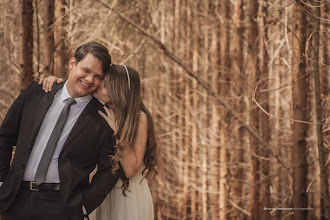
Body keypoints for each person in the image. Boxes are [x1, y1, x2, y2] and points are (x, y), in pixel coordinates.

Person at [0, 42, 120, 220]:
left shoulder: (102, 119)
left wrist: (84, 206)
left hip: (62, 207)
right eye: (86, 70)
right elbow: (4, 137)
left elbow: (110, 168)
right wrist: (2, 183)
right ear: (72, 64)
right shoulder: (37, 92)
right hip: (16, 198)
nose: (89, 79)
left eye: (97, 76)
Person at [40, 64, 158, 220]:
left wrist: (118, 132)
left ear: (120, 91)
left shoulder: (139, 118)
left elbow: (130, 170)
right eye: (102, 80)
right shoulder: (98, 110)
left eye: (106, 85)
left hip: (129, 197)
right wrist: (56, 83)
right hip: (101, 195)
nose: (98, 85)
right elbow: (71, 94)